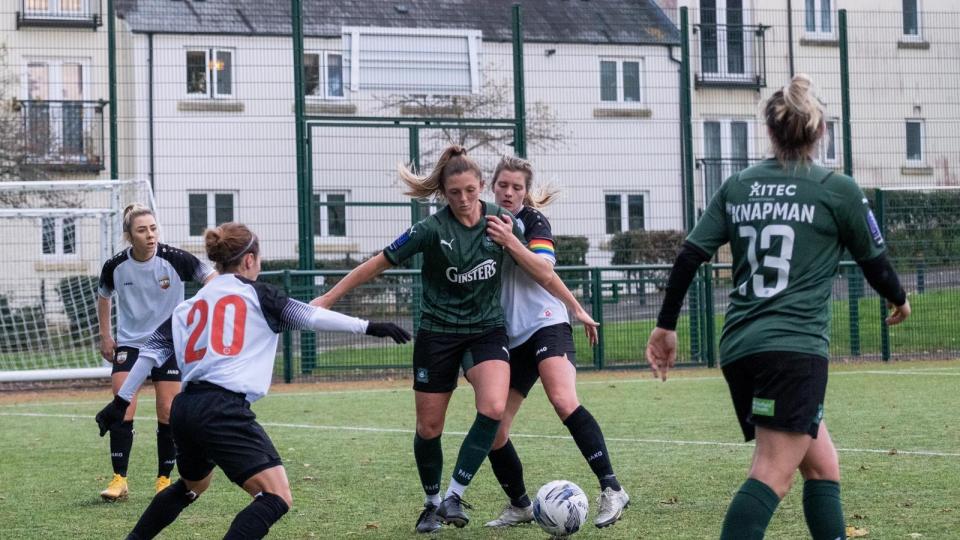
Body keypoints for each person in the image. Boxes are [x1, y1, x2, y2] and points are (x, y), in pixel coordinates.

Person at [646, 74, 911, 540]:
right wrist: (899, 298)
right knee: (772, 472)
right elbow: (877, 265)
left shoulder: (739, 186)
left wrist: (665, 326)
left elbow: (690, 255)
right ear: (820, 131)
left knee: (823, 468)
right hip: (793, 352)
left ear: (769, 131)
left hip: (741, 347)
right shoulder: (836, 188)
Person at [311, 145, 597, 533]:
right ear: (443, 194)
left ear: (482, 187)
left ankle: (454, 495)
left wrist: (575, 308)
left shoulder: (503, 223)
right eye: (454, 193)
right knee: (429, 428)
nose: (463, 200)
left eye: (470, 190)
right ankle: (431, 504)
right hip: (438, 333)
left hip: (486, 330)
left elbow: (543, 272)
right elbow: (376, 263)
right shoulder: (430, 230)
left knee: (494, 407)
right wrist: (327, 299)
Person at [95, 222, 410, 540]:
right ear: (248, 260)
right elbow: (310, 316)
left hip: (185, 409)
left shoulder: (189, 306)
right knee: (276, 496)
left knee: (191, 486)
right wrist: (369, 326)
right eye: (258, 258)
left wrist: (121, 402)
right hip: (221, 409)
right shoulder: (258, 294)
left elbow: (149, 351)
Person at [482, 156, 629, 529]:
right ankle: (520, 505)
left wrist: (571, 309)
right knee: (495, 429)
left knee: (563, 398)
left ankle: (612, 488)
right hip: (509, 336)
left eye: (517, 187)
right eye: (504, 185)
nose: (510, 192)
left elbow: (544, 271)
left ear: (526, 191)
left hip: (547, 325)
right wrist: (578, 305)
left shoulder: (533, 222)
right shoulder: (480, 224)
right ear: (492, 186)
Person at [96, 204, 216, 500]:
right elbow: (103, 295)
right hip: (131, 344)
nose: (150, 235)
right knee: (122, 405)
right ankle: (119, 480)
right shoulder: (114, 266)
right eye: (142, 230)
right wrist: (105, 335)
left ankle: (164, 479)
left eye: (153, 228)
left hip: (170, 343)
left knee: (167, 410)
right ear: (129, 236)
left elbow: (211, 279)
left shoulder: (175, 259)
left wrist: (196, 311)